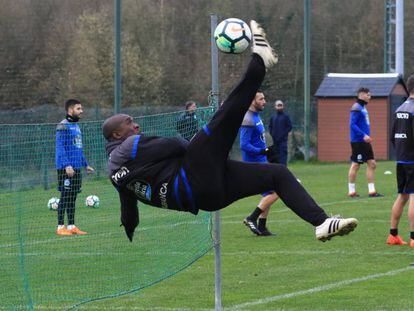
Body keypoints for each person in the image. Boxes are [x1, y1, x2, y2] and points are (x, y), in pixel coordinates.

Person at [102, 20, 358, 243]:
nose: (135, 126)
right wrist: (201, 142)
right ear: (117, 134)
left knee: (277, 174)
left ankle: (321, 223)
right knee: (229, 112)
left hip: (208, 198)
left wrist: (130, 229)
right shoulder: (129, 145)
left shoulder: (115, 173)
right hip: (194, 175)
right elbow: (176, 147)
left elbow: (129, 210)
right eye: (129, 122)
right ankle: (260, 59)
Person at [240, 91, 278, 236]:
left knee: (269, 193)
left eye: (264, 98)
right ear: (252, 101)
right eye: (261, 99)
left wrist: (266, 151)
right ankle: (252, 218)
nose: (264, 101)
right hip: (254, 164)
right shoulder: (248, 118)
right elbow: (244, 145)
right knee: (275, 192)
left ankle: (262, 227)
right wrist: (261, 152)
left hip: (261, 161)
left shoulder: (256, 116)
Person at [55, 99, 94, 235]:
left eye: (81, 108)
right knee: (65, 196)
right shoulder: (62, 126)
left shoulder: (76, 126)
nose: (81, 111)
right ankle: (60, 227)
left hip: (76, 167)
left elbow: (78, 148)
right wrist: (67, 165)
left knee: (73, 197)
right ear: (70, 110)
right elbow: (61, 148)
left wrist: (86, 164)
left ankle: (71, 226)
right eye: (78, 109)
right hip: (66, 168)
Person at [386, 75, 414, 247]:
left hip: (401, 160)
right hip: (413, 160)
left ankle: (393, 234)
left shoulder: (400, 108)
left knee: (402, 196)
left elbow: (393, 137)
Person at [347, 87, 383, 198]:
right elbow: (352, 125)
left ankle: (372, 191)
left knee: (372, 164)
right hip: (358, 141)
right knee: (356, 164)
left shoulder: (362, 107)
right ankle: (351, 191)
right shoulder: (356, 108)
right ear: (361, 95)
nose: (370, 97)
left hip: (365, 141)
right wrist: (363, 135)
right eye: (368, 95)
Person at [269, 100, 292, 165]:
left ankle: (283, 170)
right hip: (275, 141)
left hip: (283, 141)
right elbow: (270, 126)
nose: (279, 107)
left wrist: (283, 135)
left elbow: (289, 127)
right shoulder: (273, 117)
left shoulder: (286, 117)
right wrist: (272, 134)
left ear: (283, 106)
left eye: (280, 105)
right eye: (278, 105)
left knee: (283, 156)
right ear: (275, 107)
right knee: (275, 156)